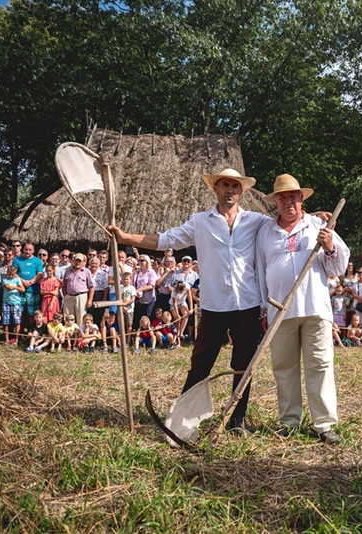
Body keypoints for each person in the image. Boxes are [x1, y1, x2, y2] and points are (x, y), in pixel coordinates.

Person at [108, 168, 269, 435]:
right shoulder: (200, 222)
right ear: (215, 188)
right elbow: (164, 240)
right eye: (225, 185)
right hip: (214, 304)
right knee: (200, 363)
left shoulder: (256, 221)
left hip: (247, 304)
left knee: (244, 365)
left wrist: (313, 218)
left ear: (241, 191)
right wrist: (125, 237)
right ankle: (181, 420)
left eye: (235, 186)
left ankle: (237, 420)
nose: (230, 190)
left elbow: (285, 225)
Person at [256, 173, 349, 445]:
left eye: (293, 196)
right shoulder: (265, 232)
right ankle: (289, 422)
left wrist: (329, 247)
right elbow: (260, 272)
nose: (288, 201)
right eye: (282, 197)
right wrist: (264, 308)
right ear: (275, 201)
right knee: (283, 367)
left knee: (320, 365)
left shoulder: (319, 225)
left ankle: (324, 424)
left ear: (301, 199)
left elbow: (338, 267)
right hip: (280, 310)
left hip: (315, 308)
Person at [13, 243, 44, 326]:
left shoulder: (37, 261)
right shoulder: (17, 260)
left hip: (33, 291)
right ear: (23, 250)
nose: (27, 251)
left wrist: (31, 282)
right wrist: (23, 281)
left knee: (32, 314)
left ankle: (32, 330)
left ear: (33, 251)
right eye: (26, 249)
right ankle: (20, 332)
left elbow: (40, 274)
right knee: (19, 313)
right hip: (19, 290)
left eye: (30, 250)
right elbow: (14, 273)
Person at [62, 253, 94, 326]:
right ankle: (69, 332)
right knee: (68, 317)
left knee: (81, 317)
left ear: (83, 262)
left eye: (80, 261)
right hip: (69, 296)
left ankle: (80, 332)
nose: (78, 262)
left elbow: (91, 287)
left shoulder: (86, 271)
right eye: (76, 260)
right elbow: (63, 285)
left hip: (81, 296)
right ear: (73, 261)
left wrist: (90, 300)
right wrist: (65, 296)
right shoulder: (67, 270)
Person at [1, 265, 24, 346]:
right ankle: (6, 340)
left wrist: (14, 287)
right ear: (7, 273)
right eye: (9, 274)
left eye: (12, 274)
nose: (11, 276)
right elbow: (8, 287)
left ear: (15, 273)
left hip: (16, 302)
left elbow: (23, 289)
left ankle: (16, 340)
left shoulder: (17, 280)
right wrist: (16, 287)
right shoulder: (4, 279)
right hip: (6, 302)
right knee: (5, 321)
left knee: (17, 321)